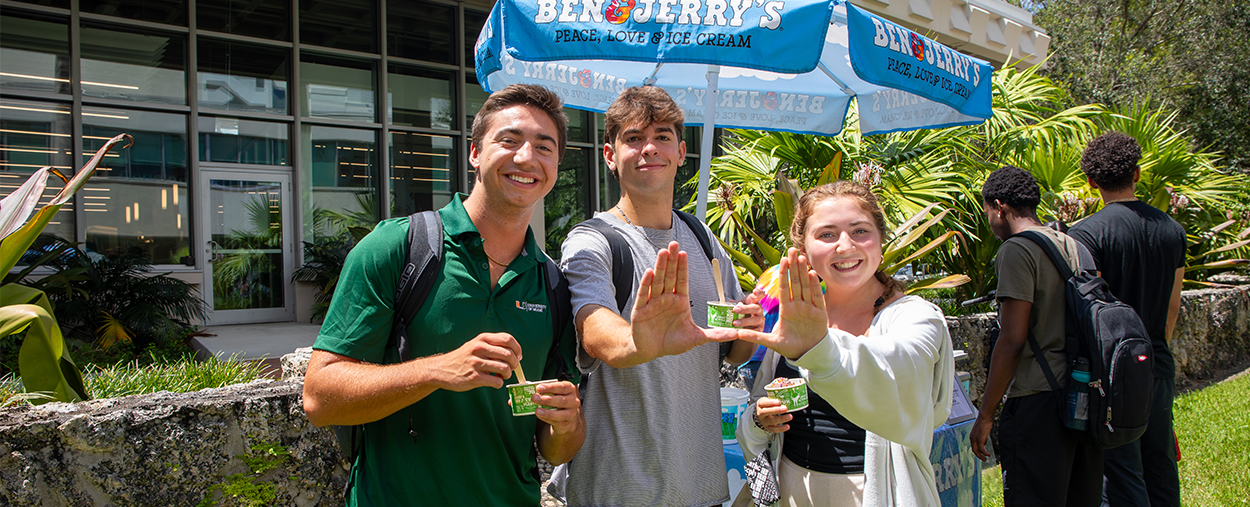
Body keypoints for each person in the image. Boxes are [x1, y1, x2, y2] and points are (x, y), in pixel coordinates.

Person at [302, 84, 585, 506]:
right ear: (475, 153)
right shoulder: (399, 249)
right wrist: (437, 370)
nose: (526, 158)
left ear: (556, 166)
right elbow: (319, 397)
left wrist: (567, 424)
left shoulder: (554, 285)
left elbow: (553, 449)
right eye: (508, 141)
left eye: (544, 148)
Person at [557, 85, 761, 507]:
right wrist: (640, 341)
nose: (649, 148)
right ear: (611, 156)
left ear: (681, 151)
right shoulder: (592, 242)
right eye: (633, 138)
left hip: (701, 487)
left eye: (662, 137)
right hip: (617, 490)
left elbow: (732, 353)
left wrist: (750, 329)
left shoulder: (704, 241)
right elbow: (596, 333)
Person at [735, 181, 955, 507]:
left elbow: (895, 376)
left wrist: (818, 346)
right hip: (793, 491)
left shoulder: (917, 318)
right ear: (803, 249)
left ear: (881, 241)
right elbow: (756, 420)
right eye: (826, 234)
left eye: (860, 231)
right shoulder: (792, 316)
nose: (844, 245)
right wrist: (759, 420)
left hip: (881, 495)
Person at [970, 166, 1103, 506]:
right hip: (1081, 395)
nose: (990, 221)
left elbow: (1013, 339)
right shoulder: (1075, 245)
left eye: (988, 212)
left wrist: (986, 414)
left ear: (999, 206)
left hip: (1038, 400)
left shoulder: (1017, 250)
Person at [1068, 132, 1186, 507]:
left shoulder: (1085, 234)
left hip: (1109, 371)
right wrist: (1154, 352)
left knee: (1119, 471)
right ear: (1137, 174)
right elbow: (1172, 305)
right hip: (1155, 362)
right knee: (1160, 462)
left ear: (1090, 182)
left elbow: (1084, 308)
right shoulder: (1172, 229)